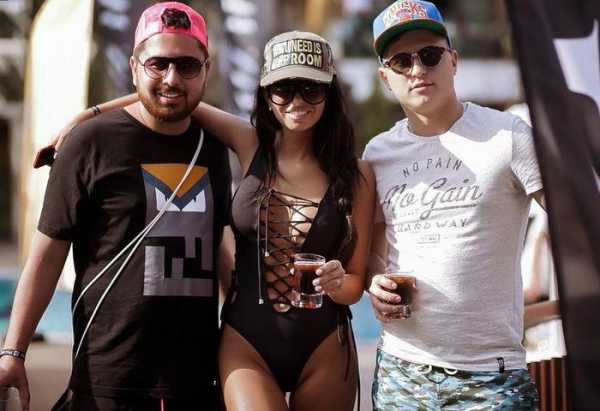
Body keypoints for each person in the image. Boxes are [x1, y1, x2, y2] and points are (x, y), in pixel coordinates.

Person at [42, 31, 375, 411]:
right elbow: (173, 97)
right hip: (248, 343)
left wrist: (337, 283)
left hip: (325, 346)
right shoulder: (249, 144)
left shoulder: (357, 175)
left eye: (311, 90)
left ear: (330, 95)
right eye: (284, 90)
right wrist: (89, 114)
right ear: (267, 95)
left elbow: (355, 283)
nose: (297, 101)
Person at [0, 3, 231, 410]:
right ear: (134, 66)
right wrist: (12, 352)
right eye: (158, 64)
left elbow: (217, 247)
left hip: (195, 383)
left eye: (187, 66)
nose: (172, 78)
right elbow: (47, 256)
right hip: (107, 380)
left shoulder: (214, 148)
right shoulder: (89, 142)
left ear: (206, 70)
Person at [363, 1, 544, 409]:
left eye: (430, 55)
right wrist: (376, 283)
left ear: (454, 61)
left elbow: (574, 220)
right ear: (385, 78)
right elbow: (374, 252)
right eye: (401, 61)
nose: (417, 70)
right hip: (402, 371)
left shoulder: (508, 135)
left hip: (492, 375)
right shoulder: (377, 154)